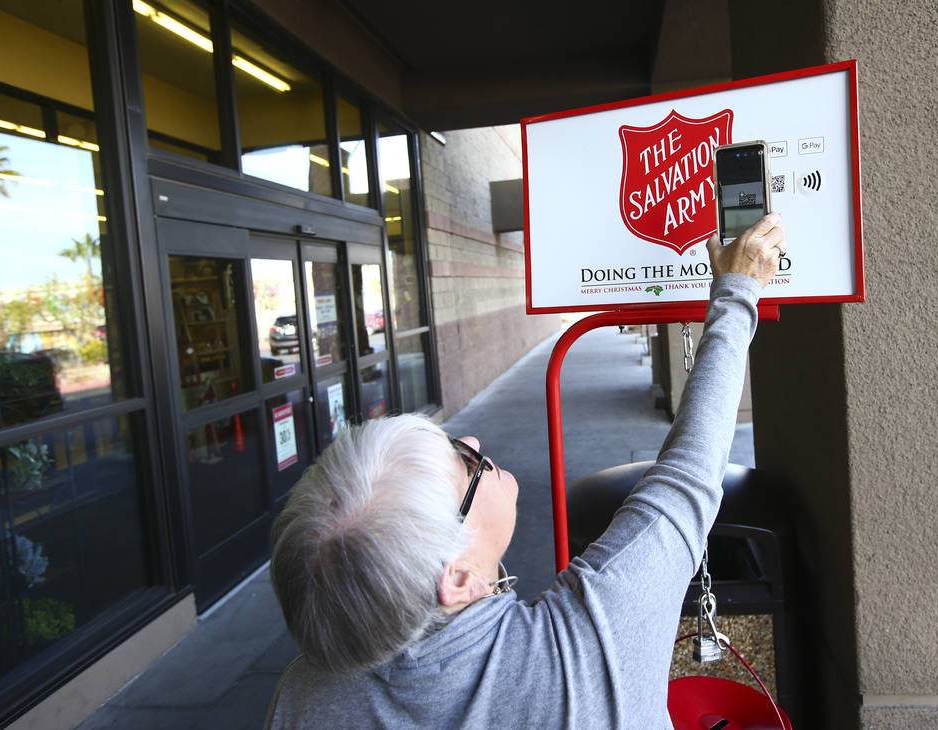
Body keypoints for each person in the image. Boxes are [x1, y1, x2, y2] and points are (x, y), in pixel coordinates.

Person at [265, 214, 787, 729]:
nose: (472, 441)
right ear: (459, 578)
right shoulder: (583, 651)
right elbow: (690, 473)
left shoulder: (303, 697)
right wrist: (738, 290)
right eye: (461, 461)